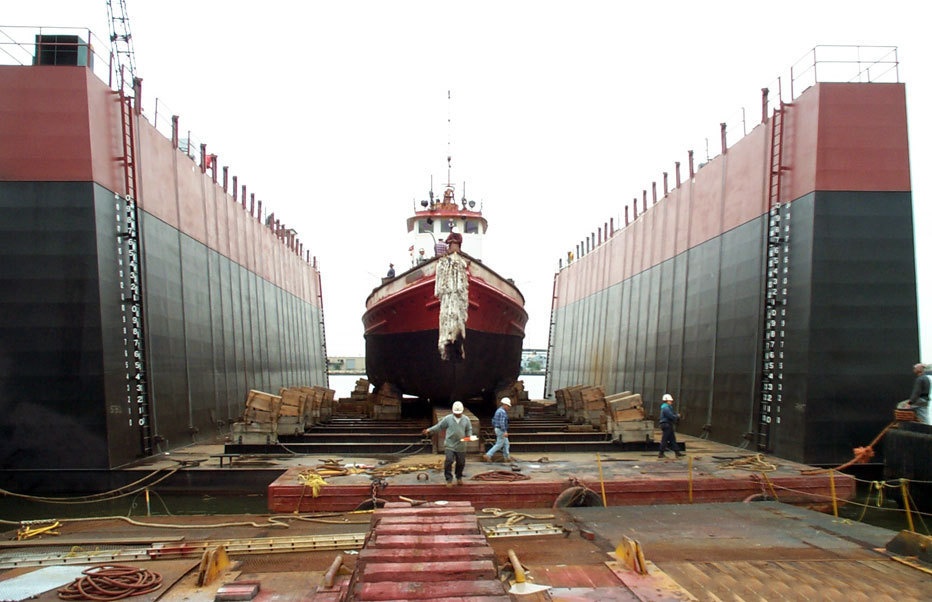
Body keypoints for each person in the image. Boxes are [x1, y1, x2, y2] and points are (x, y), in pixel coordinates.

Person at [422, 401, 472, 486]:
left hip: (461, 445)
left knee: (461, 462)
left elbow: (469, 429)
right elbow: (439, 426)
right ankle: (449, 479)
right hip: (450, 444)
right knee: (449, 461)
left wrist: (469, 436)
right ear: (453, 411)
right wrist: (429, 430)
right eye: (456, 413)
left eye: (459, 413)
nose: (457, 414)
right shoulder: (448, 419)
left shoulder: (466, 419)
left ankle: (459, 477)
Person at [483, 397, 512, 462]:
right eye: (508, 406)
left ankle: (507, 457)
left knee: (506, 444)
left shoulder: (498, 411)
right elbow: (502, 422)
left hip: (498, 429)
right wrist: (504, 431)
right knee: (499, 444)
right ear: (504, 405)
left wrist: (495, 428)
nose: (508, 407)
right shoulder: (502, 412)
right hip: (501, 430)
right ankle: (488, 455)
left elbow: (493, 420)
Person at [658, 393, 683, 458]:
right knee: (665, 439)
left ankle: (677, 452)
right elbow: (670, 416)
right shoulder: (666, 408)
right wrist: (677, 416)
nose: (671, 402)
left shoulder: (666, 407)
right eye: (670, 401)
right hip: (666, 425)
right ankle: (661, 453)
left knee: (672, 439)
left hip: (667, 424)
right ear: (667, 401)